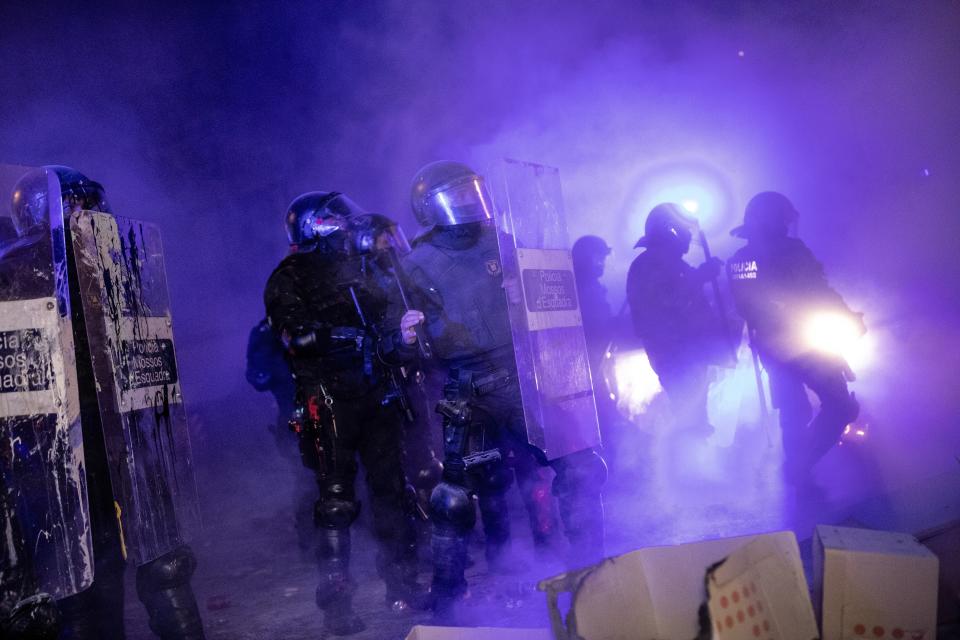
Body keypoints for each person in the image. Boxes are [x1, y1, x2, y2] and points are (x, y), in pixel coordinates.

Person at [388, 161, 605, 619]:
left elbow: (547, 298)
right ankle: (447, 598)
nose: (467, 203)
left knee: (582, 466)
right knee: (452, 497)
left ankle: (593, 572)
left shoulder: (502, 242)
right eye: (455, 195)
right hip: (469, 388)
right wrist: (404, 337)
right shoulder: (415, 266)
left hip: (527, 377)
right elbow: (399, 346)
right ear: (429, 208)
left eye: (471, 192)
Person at [2, 165, 206, 640]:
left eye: (90, 204)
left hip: (121, 435)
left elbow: (149, 348)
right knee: (86, 575)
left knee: (158, 560)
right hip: (58, 448)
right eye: (77, 204)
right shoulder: (16, 271)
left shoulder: (117, 258)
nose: (89, 214)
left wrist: (167, 416)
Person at [263, 193, 425, 635]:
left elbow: (385, 337)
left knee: (393, 491)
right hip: (328, 401)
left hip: (377, 395)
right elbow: (295, 339)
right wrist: (351, 338)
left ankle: (403, 585)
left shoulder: (364, 270)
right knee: (336, 502)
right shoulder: (289, 276)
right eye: (335, 219)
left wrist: (403, 339)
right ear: (313, 226)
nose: (347, 225)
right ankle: (337, 605)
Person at [727, 191, 861, 482]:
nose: (786, 225)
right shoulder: (779, 254)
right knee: (829, 407)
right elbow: (814, 290)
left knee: (801, 411)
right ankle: (799, 469)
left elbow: (813, 289)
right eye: (782, 220)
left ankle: (798, 468)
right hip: (797, 342)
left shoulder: (744, 259)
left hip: (783, 343)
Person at [626, 203, 725, 437]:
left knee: (695, 414)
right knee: (689, 415)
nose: (689, 236)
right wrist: (701, 275)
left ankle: (693, 465)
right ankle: (686, 467)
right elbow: (666, 302)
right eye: (684, 229)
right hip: (673, 351)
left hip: (686, 350)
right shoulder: (650, 264)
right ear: (670, 230)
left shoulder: (668, 263)